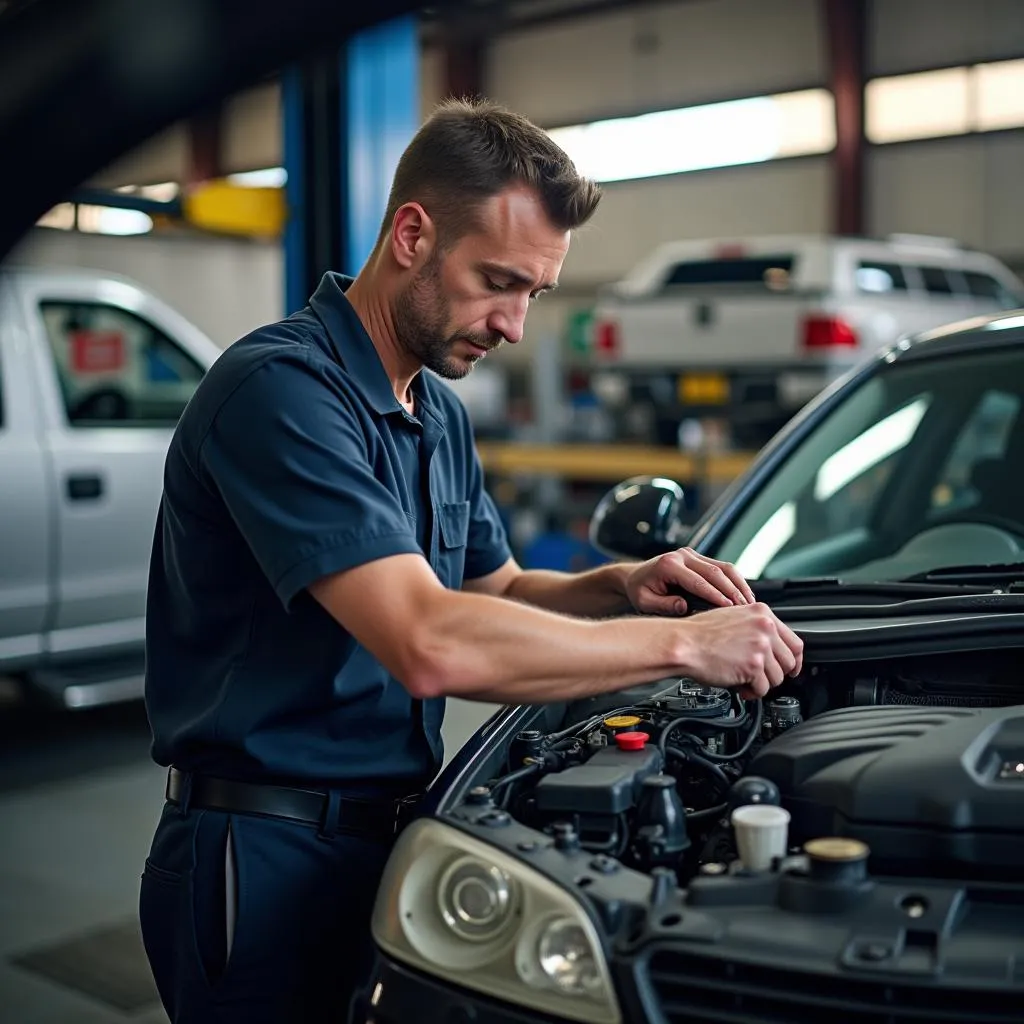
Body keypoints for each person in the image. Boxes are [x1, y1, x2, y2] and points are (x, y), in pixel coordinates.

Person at [138, 96, 803, 1024]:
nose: (516, 325)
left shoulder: (435, 409)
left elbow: (494, 588)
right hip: (263, 853)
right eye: (499, 281)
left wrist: (618, 589)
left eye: (534, 292)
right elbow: (430, 642)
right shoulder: (280, 393)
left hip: (396, 836)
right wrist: (687, 650)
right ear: (412, 233)